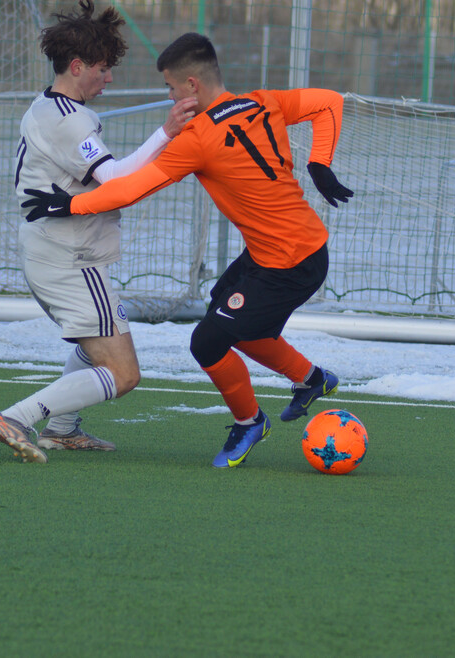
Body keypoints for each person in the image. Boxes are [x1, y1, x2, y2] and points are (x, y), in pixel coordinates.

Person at [22, 32, 353, 468]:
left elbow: (128, 189)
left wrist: (69, 204)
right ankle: (311, 379)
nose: (170, 96)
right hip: (277, 252)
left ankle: (250, 422)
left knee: (209, 342)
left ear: (192, 86)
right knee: (229, 319)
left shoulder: (198, 138)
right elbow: (330, 101)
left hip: (292, 263)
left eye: (170, 87)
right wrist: (320, 161)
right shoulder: (262, 101)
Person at [0, 0, 196, 463]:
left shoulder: (50, 107)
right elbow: (115, 181)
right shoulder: (68, 118)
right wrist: (167, 133)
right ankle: (16, 417)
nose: (110, 77)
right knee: (123, 373)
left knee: (96, 336)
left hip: (55, 251)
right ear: (76, 66)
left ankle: (62, 429)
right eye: (103, 68)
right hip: (67, 258)